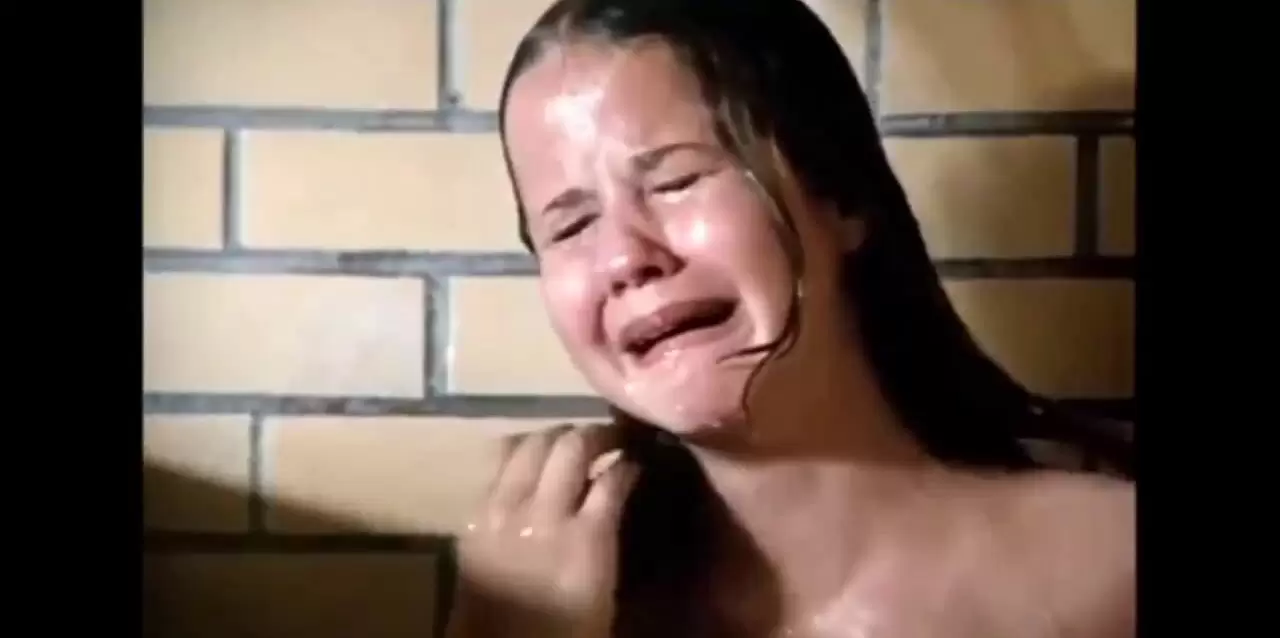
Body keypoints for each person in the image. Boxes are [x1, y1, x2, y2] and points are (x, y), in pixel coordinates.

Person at [445, 0, 1135, 636]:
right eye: (571, 227)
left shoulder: (1108, 569)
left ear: (839, 196)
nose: (625, 257)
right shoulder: (530, 598)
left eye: (677, 181)